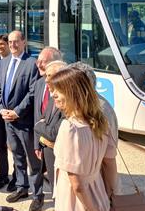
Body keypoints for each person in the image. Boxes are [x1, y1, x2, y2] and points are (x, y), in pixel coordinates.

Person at [48, 66, 116, 211]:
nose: (53, 94)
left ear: (72, 94)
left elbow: (77, 185)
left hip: (77, 202)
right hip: (99, 193)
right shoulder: (101, 121)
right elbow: (110, 162)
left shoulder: (69, 128)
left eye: (58, 90)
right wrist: (107, 195)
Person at [0, 30, 42, 211]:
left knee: (33, 161)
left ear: (24, 42)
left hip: (24, 121)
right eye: (10, 42)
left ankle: (38, 196)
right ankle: (22, 188)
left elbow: (32, 93)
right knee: (17, 157)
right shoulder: (3, 61)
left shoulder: (31, 64)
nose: (12, 45)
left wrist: (16, 112)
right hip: (8, 120)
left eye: (16, 42)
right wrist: (1, 109)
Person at [69, 61, 119, 195]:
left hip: (95, 186)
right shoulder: (85, 106)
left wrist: (111, 193)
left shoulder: (99, 110)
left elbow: (109, 160)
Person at [32, 47, 63, 200]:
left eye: (42, 62)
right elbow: (37, 115)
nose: (38, 65)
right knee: (40, 173)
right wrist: (37, 143)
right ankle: (38, 198)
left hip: (58, 148)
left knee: (59, 186)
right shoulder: (39, 84)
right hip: (42, 143)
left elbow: (41, 123)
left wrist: (38, 126)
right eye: (38, 61)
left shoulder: (64, 96)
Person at [0, 34, 16, 191]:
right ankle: (3, 175)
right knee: (0, 145)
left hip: (13, 114)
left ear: (9, 45)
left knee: (15, 147)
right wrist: (0, 108)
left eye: (2, 44)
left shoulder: (17, 62)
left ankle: (16, 177)